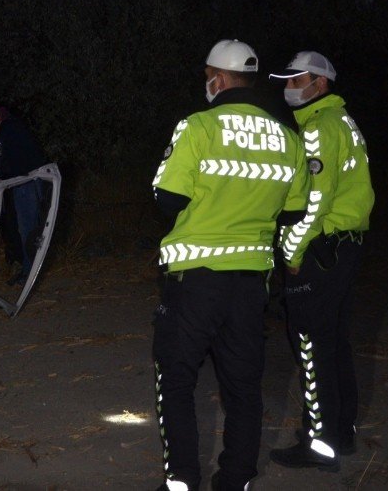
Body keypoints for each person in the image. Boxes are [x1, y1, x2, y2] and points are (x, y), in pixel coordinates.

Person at [151, 40, 310, 491]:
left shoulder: (198, 126)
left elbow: (168, 198)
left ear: (218, 79)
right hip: (251, 284)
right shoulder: (288, 137)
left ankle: (181, 478)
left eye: (207, 77)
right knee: (243, 388)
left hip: (194, 279)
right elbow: (296, 211)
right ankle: (236, 480)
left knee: (176, 379)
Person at [268, 51, 375, 471]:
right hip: (345, 246)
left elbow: (314, 204)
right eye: (288, 80)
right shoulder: (341, 121)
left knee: (311, 346)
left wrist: (291, 254)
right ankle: (340, 434)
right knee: (334, 344)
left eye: (298, 80)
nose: (289, 87)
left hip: (322, 251)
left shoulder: (319, 129)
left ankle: (319, 444)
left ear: (321, 84)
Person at [0, 105, 49, 286]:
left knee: (27, 229)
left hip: (26, 183)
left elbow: (10, 164)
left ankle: (29, 273)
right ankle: (29, 270)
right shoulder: (11, 129)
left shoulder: (8, 131)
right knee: (28, 228)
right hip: (28, 182)